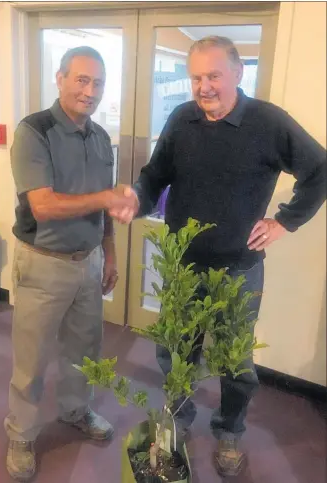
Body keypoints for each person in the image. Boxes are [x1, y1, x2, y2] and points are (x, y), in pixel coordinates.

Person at [109, 36, 327, 477]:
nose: (203, 86)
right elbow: (156, 174)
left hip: (238, 269)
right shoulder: (181, 118)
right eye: (196, 77)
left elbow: (320, 169)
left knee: (234, 359)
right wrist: (139, 197)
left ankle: (229, 431)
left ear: (237, 74)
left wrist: (285, 222)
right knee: (177, 351)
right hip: (182, 265)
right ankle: (179, 420)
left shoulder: (268, 122)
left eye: (213, 75)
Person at [6, 46, 136, 481]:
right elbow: (42, 206)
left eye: (98, 83)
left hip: (89, 262)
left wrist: (110, 253)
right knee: (32, 359)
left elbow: (103, 212)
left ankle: (76, 410)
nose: (90, 90)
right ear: (60, 79)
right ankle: (21, 433)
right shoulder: (34, 131)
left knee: (84, 350)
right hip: (43, 264)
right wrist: (106, 198)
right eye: (81, 80)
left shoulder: (100, 138)